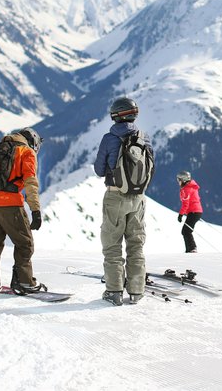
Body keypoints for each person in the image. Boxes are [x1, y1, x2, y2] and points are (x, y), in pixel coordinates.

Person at [94, 97, 154, 306]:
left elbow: (99, 169)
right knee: (136, 244)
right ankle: (136, 291)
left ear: (115, 115)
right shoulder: (144, 137)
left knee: (112, 245)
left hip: (115, 195)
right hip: (138, 198)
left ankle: (114, 291)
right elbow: (151, 168)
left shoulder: (109, 138)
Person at [0, 128, 44, 295]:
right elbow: (30, 182)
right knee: (24, 244)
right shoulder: (25, 152)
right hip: (10, 204)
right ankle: (25, 282)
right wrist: (35, 210)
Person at [176, 170, 203, 253]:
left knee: (186, 231)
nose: (178, 182)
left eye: (179, 180)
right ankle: (189, 250)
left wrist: (180, 215)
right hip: (195, 212)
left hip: (194, 212)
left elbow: (185, 204)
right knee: (185, 231)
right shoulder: (190, 187)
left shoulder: (186, 189)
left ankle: (192, 249)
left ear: (183, 180)